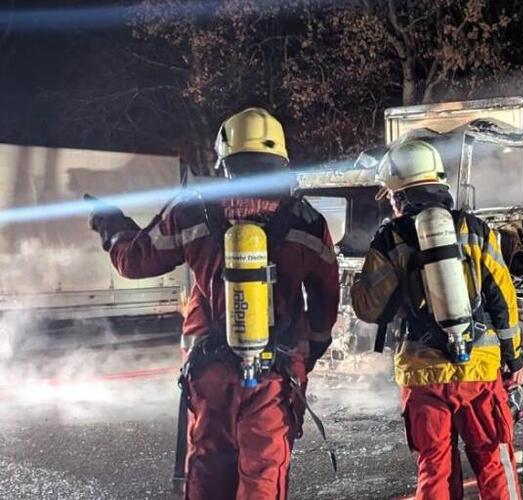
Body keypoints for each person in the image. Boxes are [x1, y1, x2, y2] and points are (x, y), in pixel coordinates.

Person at [88, 107, 340, 498]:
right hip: (274, 376)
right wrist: (308, 354)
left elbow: (133, 261)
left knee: (207, 474)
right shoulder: (306, 221)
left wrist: (111, 223)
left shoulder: (192, 211)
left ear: (225, 162)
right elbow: (325, 302)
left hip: (210, 372)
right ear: (281, 161)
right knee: (263, 477)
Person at [351, 139, 523, 499]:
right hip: (478, 368)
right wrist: (514, 359)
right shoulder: (475, 229)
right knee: (493, 459)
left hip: (421, 374)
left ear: (399, 195)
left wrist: (359, 284)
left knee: (435, 467)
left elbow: (369, 309)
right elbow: (503, 298)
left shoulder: (389, 240)